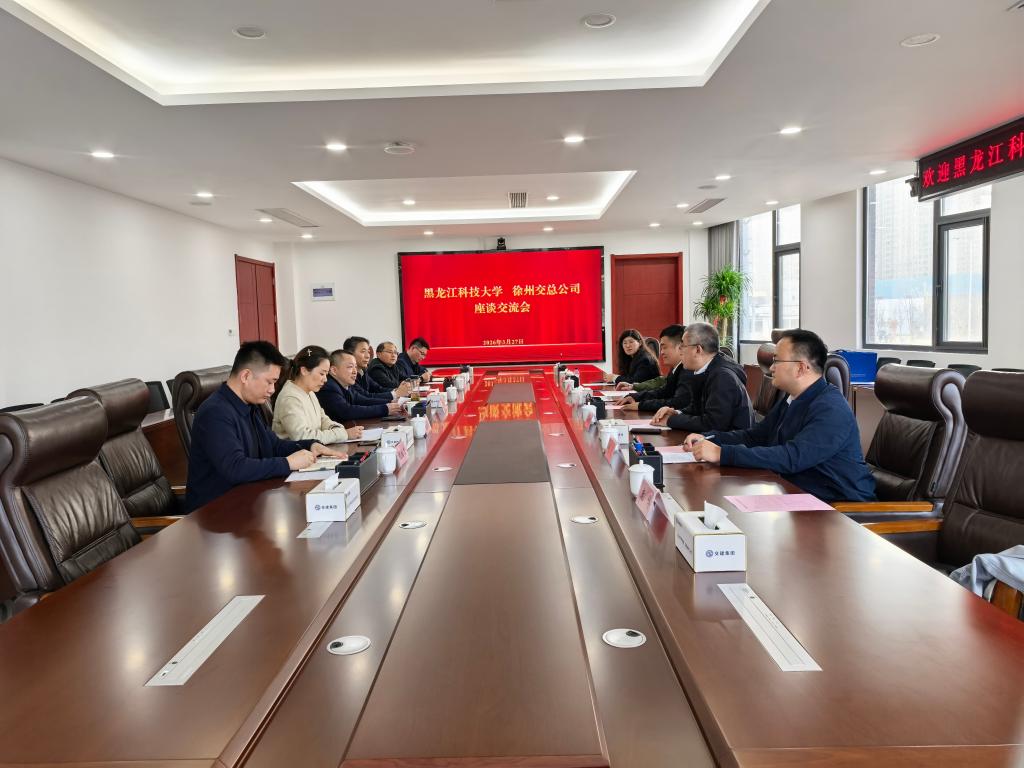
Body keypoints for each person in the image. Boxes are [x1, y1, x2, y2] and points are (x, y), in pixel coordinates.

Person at [683, 329, 875, 503]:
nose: (771, 368)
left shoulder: (831, 409)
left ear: (801, 368)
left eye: (777, 361)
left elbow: (792, 457)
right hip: (800, 496)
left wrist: (722, 454)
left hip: (842, 509)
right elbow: (755, 436)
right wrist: (709, 438)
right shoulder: (792, 398)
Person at [185, 341, 346, 512]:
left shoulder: (249, 405)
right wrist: (287, 463)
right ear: (246, 376)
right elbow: (235, 468)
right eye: (269, 382)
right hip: (215, 512)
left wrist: (310, 445)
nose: (272, 390)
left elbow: (274, 445)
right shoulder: (215, 412)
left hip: (248, 500)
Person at [650, 322, 752, 433]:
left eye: (682, 346)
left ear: (698, 350)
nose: (680, 351)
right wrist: (676, 413)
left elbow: (714, 424)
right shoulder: (704, 369)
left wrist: (671, 420)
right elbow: (697, 408)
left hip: (730, 441)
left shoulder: (722, 377)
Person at [272, 345, 362, 443]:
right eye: (322, 374)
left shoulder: (309, 392)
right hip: (297, 451)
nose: (325, 379)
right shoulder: (290, 398)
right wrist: (343, 434)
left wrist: (337, 429)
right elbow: (302, 437)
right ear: (304, 370)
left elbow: (323, 419)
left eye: (326, 374)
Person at [618, 324, 694, 413]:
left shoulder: (688, 371)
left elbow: (677, 403)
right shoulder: (676, 369)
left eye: (664, 347)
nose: (661, 352)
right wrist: (635, 397)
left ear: (680, 347)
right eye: (624, 343)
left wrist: (641, 405)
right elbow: (664, 391)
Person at [318, 349, 405, 422]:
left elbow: (362, 400)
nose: (355, 371)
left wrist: (390, 402)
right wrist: (385, 409)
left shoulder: (345, 383)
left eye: (355, 367)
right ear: (334, 370)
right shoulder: (328, 387)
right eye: (350, 367)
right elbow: (347, 411)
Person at [343, 336, 414, 400]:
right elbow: (364, 397)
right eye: (363, 351)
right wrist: (396, 394)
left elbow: (378, 388)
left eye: (368, 352)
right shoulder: (376, 368)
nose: (368, 356)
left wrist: (397, 391)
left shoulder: (363, 371)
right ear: (349, 354)